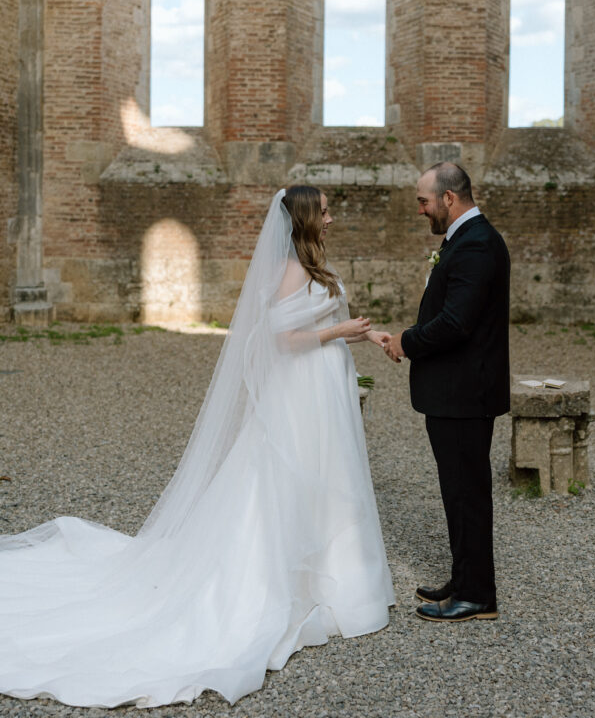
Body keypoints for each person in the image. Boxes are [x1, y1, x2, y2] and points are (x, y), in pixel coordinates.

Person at [0, 186, 394, 708]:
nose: (331, 216)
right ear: (303, 218)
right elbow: (281, 339)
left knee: (329, 477)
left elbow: (316, 324)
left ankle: (333, 574)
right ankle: (288, 581)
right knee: (293, 475)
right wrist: (340, 330)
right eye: (324, 210)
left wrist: (365, 336)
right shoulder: (293, 270)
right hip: (302, 393)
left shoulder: (312, 265)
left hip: (321, 388)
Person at [382, 162, 510, 622]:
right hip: (458, 392)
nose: (421, 210)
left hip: (464, 395)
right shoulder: (464, 240)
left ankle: (477, 595)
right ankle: (465, 577)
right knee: (458, 491)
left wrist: (406, 340)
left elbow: (457, 324)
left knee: (467, 493)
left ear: (449, 198)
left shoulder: (476, 245)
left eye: (423, 201)